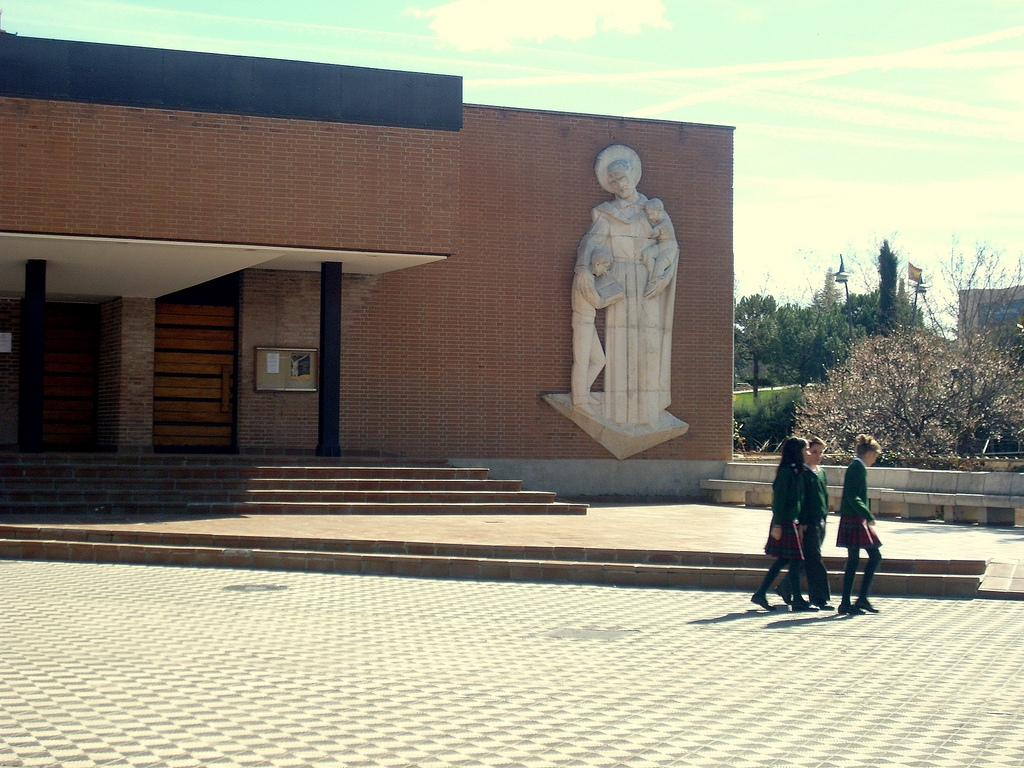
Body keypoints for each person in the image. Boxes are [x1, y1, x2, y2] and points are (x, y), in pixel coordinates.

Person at [577, 146, 678, 427]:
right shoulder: (607, 214)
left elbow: (669, 244)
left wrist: (663, 276)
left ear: (633, 175)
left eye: (624, 178)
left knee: (649, 346)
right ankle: (622, 414)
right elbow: (591, 243)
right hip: (620, 279)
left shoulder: (653, 210)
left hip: (648, 280)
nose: (621, 185)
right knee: (621, 345)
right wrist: (584, 268)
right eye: (615, 181)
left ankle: (648, 412)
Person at [751, 437, 817, 612]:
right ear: (797, 452)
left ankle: (761, 593)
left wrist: (801, 522)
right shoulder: (786, 473)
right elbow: (779, 502)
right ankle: (796, 599)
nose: (808, 453)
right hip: (784, 522)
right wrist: (778, 524)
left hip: (792, 521)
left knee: (785, 560)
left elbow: (800, 501)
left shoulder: (798, 472)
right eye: (805, 450)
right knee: (793, 560)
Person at [775, 436, 832, 609]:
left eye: (820, 453)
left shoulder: (821, 472)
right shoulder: (803, 473)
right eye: (813, 451)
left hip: (821, 520)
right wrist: (803, 521)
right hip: (808, 522)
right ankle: (819, 597)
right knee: (814, 559)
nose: (816, 456)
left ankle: (785, 588)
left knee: (806, 559)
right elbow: (802, 500)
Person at [571, 250, 624, 411]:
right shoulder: (584, 277)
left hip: (588, 322)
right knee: (581, 361)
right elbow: (597, 302)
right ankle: (579, 400)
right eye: (605, 267)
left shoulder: (588, 275)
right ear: (597, 264)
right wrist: (616, 296)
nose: (605, 271)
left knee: (599, 360)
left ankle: (584, 392)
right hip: (582, 322)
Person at [837, 434, 883, 615]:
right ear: (870, 453)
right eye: (876, 455)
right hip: (854, 518)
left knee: (856, 559)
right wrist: (867, 514)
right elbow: (852, 495)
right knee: (871, 556)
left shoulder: (857, 467)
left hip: (854, 517)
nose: (875, 459)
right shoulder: (857, 467)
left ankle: (852, 600)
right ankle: (853, 600)